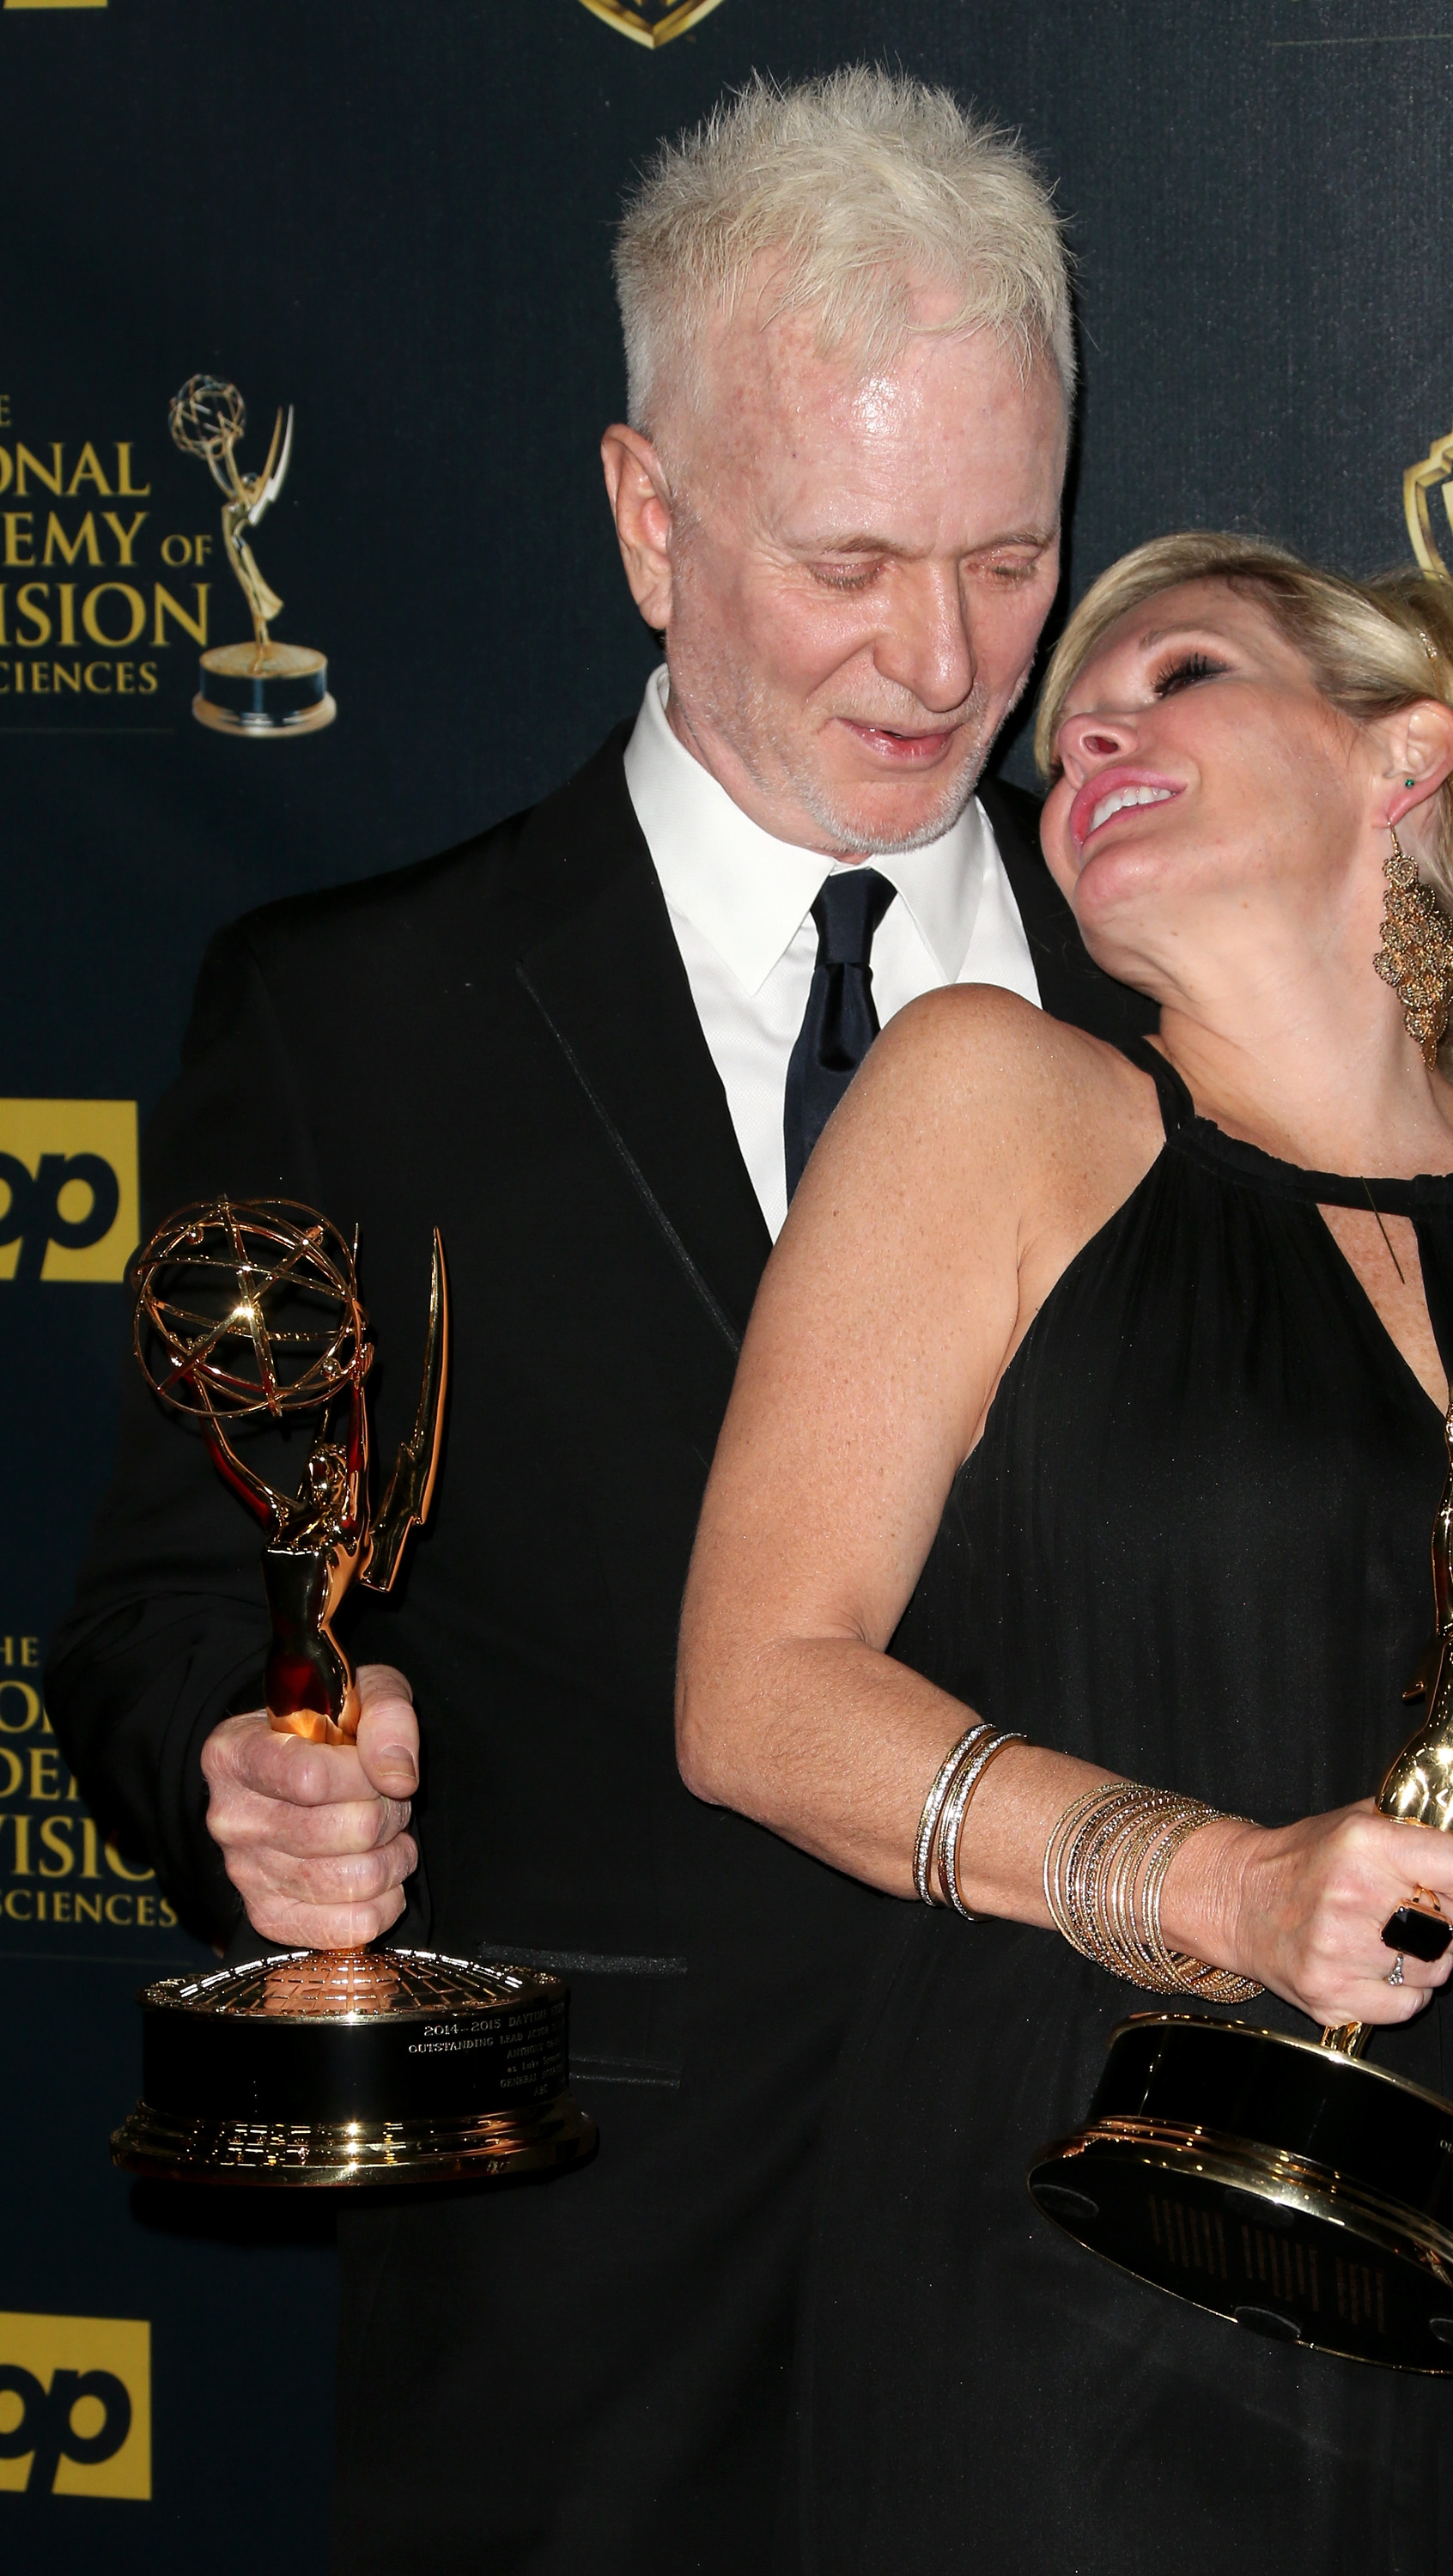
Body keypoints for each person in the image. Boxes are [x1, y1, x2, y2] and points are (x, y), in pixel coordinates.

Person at [47, 72, 1153, 2575]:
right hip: (588, 2336)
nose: (944, 653)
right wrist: (246, 1763)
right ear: (646, 520)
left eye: (1009, 551)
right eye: (849, 556)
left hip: (1139, 2322)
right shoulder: (354, 1021)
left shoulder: (1199, 1029)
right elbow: (158, 1611)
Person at [677, 533, 1453, 2573]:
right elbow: (758, 1699)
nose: (1085, 725)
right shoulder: (993, 1104)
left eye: (1174, 673)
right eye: (1070, 714)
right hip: (1087, 2244)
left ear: (1406, 761)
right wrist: (1223, 1885)